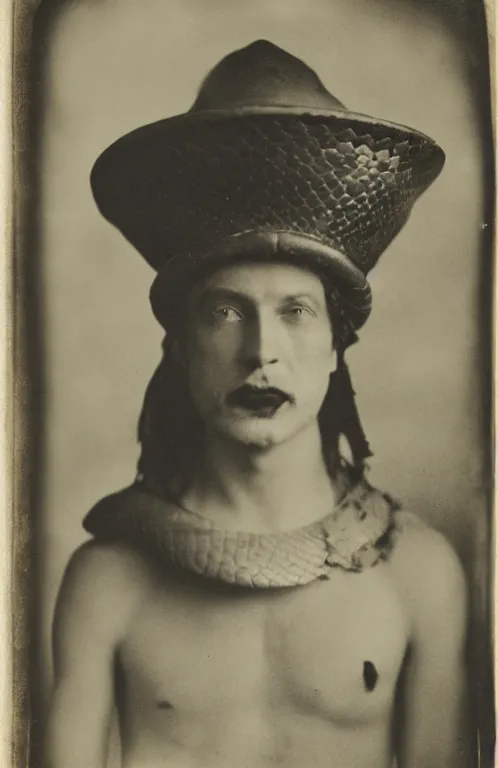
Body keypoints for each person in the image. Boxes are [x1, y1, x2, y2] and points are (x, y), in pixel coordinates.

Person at [45, 40, 470, 768]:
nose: (261, 353)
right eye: (226, 313)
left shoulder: (419, 575)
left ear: (338, 343)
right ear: (178, 343)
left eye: (297, 312)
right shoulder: (106, 582)